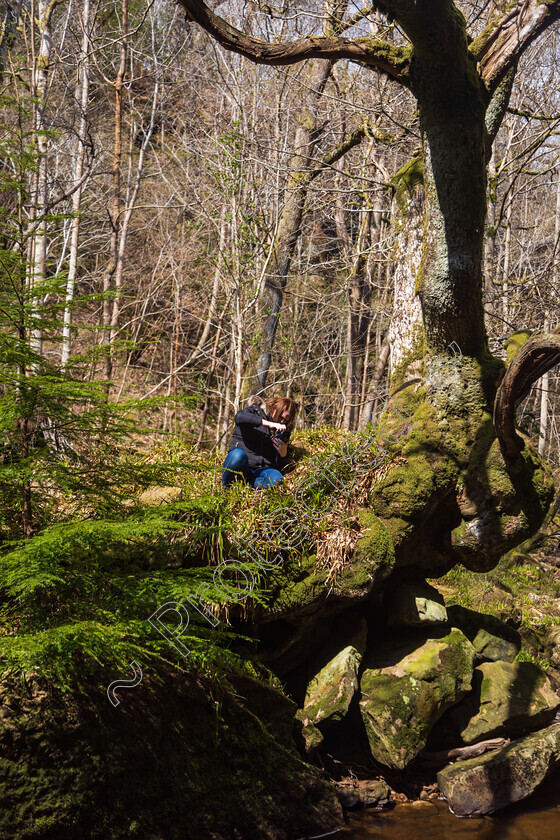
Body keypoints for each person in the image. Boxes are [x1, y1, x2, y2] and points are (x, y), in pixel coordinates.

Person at [222, 396, 298, 490]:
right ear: (274, 408)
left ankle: (249, 484)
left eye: (286, 421)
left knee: (277, 479)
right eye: (280, 417)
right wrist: (269, 423)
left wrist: (283, 454)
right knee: (237, 455)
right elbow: (239, 417)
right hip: (242, 465)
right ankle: (227, 488)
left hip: (261, 471)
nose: (282, 422)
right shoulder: (255, 411)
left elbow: (279, 468)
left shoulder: (282, 432)